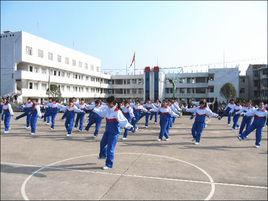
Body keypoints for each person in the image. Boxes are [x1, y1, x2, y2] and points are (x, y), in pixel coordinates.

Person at [98, 96, 133, 170]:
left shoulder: (118, 111)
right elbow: (101, 114)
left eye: (108, 103)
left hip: (114, 132)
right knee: (102, 143)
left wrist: (130, 127)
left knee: (110, 148)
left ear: (112, 103)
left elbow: (123, 121)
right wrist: (95, 109)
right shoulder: (108, 109)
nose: (107, 104)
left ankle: (109, 164)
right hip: (107, 131)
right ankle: (103, 155)